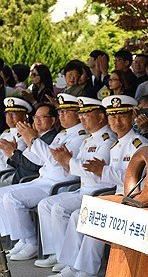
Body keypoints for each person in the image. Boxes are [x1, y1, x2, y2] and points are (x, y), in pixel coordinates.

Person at [52, 94, 148, 277]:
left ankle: (87, 270)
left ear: (132, 117)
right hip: (119, 196)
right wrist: (102, 171)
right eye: (113, 116)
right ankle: (72, 265)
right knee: (77, 215)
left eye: (122, 116)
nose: (117, 121)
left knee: (94, 216)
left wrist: (103, 171)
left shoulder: (139, 144)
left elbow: (140, 180)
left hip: (134, 200)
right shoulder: (116, 145)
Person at [0, 93, 87, 261]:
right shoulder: (62, 135)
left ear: (77, 114)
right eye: (60, 112)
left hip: (60, 183)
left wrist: (32, 139)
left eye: (65, 112)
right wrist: (28, 144)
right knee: (2, 193)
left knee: (12, 197)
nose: (61, 115)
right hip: (42, 180)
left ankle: (32, 242)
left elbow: (55, 161)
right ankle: (22, 239)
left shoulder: (80, 136)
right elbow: (37, 159)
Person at [34, 97, 116, 270]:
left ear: (101, 117)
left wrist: (68, 160)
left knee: (60, 209)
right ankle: (58, 254)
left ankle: (72, 262)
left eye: (86, 114)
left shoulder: (107, 139)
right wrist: (65, 161)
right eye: (81, 114)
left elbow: (94, 171)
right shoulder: (88, 139)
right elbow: (74, 168)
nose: (82, 118)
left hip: (99, 192)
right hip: (84, 190)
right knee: (46, 204)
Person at [1, 103, 58, 185]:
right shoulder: (36, 135)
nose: (37, 121)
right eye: (36, 117)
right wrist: (12, 155)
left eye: (42, 117)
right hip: (16, 177)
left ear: (52, 120)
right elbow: (23, 163)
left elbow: (36, 166)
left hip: (27, 180)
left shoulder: (51, 138)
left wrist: (13, 153)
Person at [0, 97, 31, 183]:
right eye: (7, 114)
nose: (9, 118)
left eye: (13, 114)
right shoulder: (5, 133)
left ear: (25, 117)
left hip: (7, 174)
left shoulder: (24, 135)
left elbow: (15, 161)